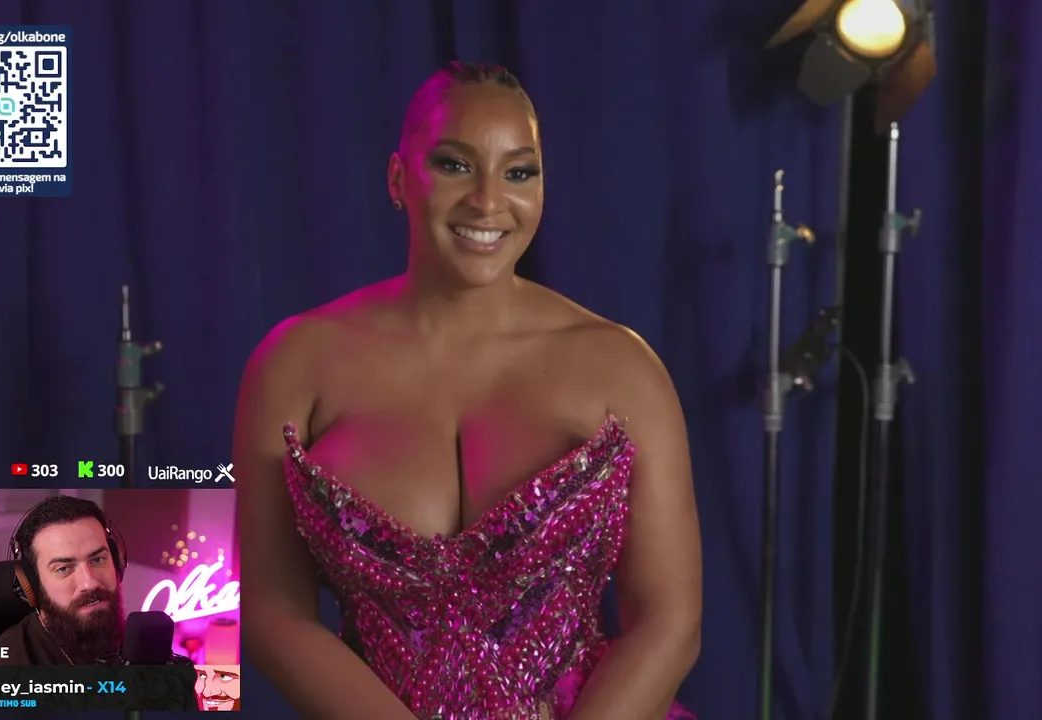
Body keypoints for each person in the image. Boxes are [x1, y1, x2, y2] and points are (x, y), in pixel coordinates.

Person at [236, 62, 701, 719]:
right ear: (398, 179)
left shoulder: (624, 368)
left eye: (519, 172)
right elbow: (272, 613)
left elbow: (670, 622)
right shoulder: (292, 364)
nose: (488, 201)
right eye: (455, 165)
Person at [0, 496, 129, 666]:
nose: (89, 583)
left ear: (117, 561)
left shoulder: (142, 641)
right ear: (32, 584)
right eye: (63, 569)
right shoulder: (4, 668)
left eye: (98, 560)